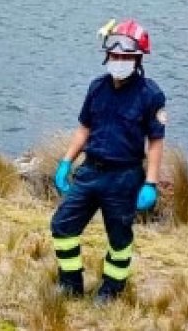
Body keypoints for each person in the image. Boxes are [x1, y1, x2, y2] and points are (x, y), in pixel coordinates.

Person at [50, 18, 166, 302]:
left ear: (137, 59)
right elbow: (84, 129)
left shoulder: (151, 95)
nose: (119, 61)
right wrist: (65, 163)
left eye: (126, 57)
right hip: (90, 171)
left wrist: (150, 183)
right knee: (62, 226)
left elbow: (155, 141)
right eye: (114, 55)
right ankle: (70, 285)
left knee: (119, 239)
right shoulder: (97, 87)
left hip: (124, 177)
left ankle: (111, 290)